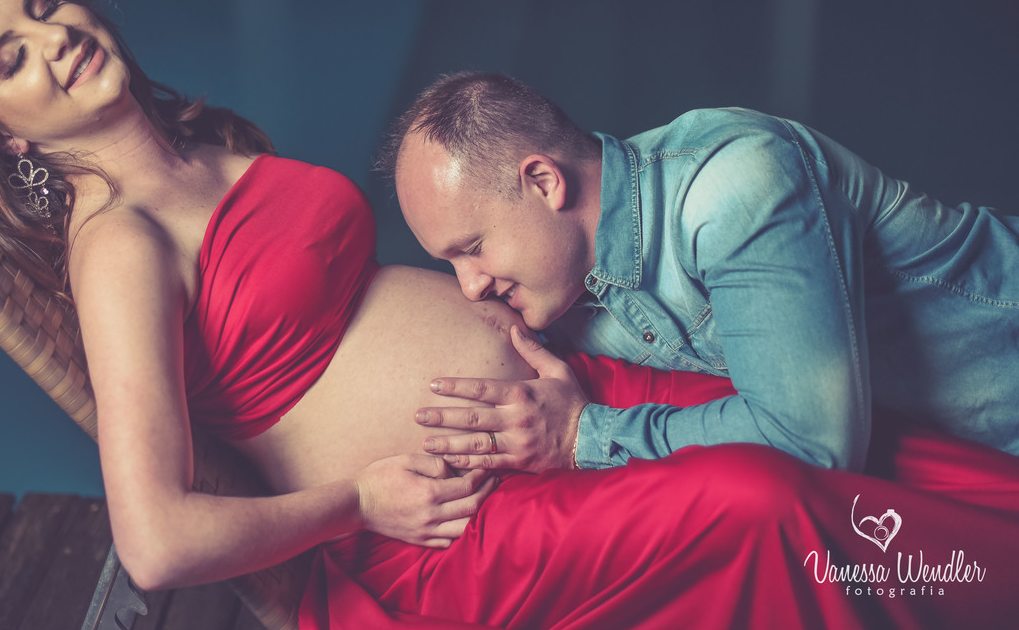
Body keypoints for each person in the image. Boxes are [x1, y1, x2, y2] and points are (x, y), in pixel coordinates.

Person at [0, 0, 1019, 630]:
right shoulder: (119, 244)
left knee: (884, 454)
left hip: (553, 409)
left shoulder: (206, 148)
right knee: (762, 500)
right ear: (2, 132)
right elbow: (158, 541)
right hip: (459, 524)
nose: (52, 39)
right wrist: (358, 505)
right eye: (9, 59)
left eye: (41, 7)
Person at [386, 71, 1019, 475]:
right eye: (450, 264)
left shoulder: (732, 184)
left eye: (473, 248)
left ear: (545, 182)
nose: (470, 286)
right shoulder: (557, 291)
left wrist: (585, 434)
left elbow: (812, 442)